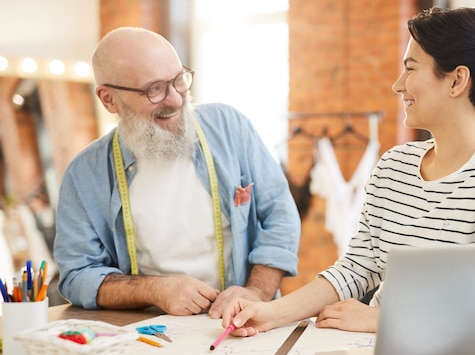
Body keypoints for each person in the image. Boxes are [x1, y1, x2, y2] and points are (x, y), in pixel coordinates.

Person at [221, 6, 475, 335]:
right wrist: (269, 313)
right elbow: (357, 267)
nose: (397, 85)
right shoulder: (393, 165)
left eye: (411, 69)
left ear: (457, 80)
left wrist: (385, 321)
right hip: (371, 352)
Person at [54, 27, 300, 316]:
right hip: (148, 329)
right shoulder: (83, 176)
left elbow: (279, 215)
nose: (175, 99)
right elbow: (77, 275)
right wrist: (156, 290)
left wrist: (256, 291)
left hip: (242, 317)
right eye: (154, 89)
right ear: (108, 99)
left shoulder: (229, 128)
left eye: (179, 80)